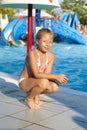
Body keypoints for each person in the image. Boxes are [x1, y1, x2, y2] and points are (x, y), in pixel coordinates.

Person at [19, 28, 68, 110]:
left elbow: (47, 75)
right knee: (44, 82)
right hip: (25, 82)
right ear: (37, 41)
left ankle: (36, 94)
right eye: (44, 41)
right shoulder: (32, 54)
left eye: (50, 42)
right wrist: (56, 76)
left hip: (37, 81)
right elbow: (36, 74)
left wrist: (60, 79)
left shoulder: (51, 56)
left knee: (55, 87)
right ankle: (29, 98)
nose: (47, 44)